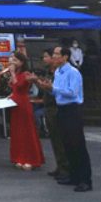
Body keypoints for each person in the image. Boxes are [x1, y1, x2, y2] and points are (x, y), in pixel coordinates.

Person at [37, 46, 93, 192]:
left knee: (77, 145)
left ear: (65, 57)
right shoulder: (58, 72)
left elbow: (72, 92)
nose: (54, 57)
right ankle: (73, 175)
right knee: (66, 144)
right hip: (61, 109)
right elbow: (57, 93)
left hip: (72, 109)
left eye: (57, 54)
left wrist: (53, 89)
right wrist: (48, 88)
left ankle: (85, 179)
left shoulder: (73, 72)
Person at [7, 52, 44, 170]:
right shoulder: (17, 74)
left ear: (22, 62)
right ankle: (19, 157)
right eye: (12, 59)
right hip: (15, 103)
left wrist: (12, 73)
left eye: (15, 60)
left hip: (23, 104)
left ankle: (31, 159)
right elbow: (14, 88)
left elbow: (19, 86)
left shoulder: (26, 74)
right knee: (17, 132)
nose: (12, 62)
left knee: (27, 131)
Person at [36, 48, 70, 180]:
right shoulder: (49, 72)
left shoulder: (63, 72)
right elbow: (47, 89)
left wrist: (50, 88)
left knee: (61, 139)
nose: (44, 59)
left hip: (58, 107)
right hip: (49, 106)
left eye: (47, 56)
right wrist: (37, 82)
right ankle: (60, 166)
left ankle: (66, 168)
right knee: (55, 139)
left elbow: (65, 91)